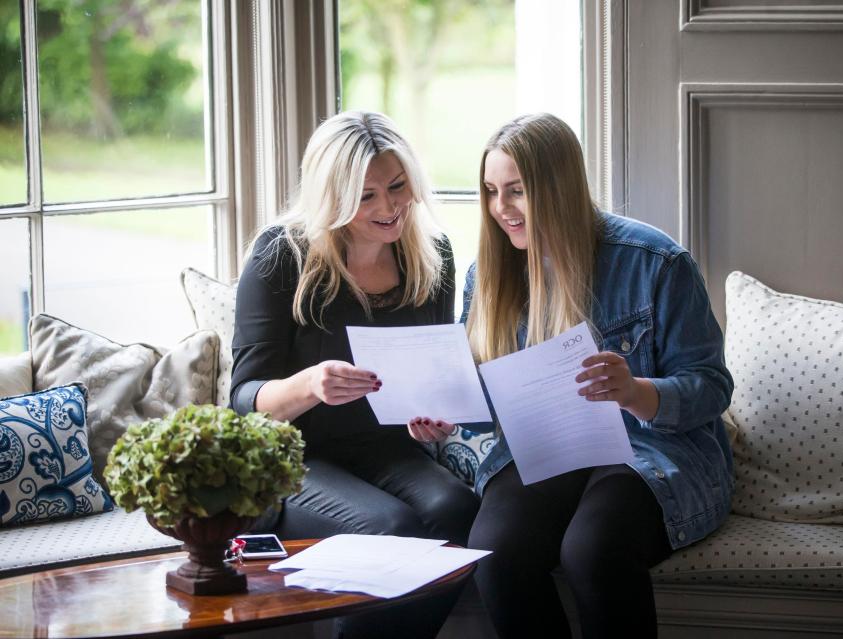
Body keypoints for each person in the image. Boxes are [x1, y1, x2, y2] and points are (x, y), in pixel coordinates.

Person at [409, 113, 735, 639]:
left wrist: (635, 393)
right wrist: (446, 423)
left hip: (649, 451)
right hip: (541, 452)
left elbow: (711, 386)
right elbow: (481, 403)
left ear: (557, 187)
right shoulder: (487, 276)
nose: (500, 210)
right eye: (492, 192)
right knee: (494, 554)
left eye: (516, 191)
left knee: (591, 550)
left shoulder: (655, 262)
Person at [230, 110, 479, 639]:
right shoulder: (280, 256)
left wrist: (432, 421)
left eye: (397, 186)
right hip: (291, 459)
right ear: (332, 196)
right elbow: (242, 399)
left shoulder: (431, 256)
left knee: (459, 510)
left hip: (387, 450)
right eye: (366, 196)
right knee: (394, 529)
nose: (389, 207)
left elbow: (426, 376)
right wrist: (310, 385)